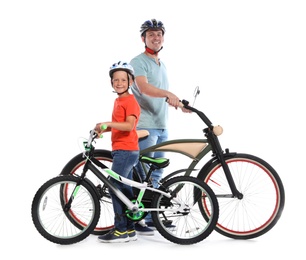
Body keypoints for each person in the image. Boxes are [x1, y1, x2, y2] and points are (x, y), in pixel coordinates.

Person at [130, 18, 190, 235]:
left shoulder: (161, 64)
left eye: (159, 34)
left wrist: (180, 104)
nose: (156, 37)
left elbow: (161, 93)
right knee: (142, 174)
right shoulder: (138, 62)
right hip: (145, 125)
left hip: (162, 124)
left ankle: (152, 216)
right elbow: (144, 88)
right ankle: (138, 218)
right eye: (151, 34)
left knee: (156, 174)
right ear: (143, 38)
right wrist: (168, 94)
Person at [95, 61, 140, 243]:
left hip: (126, 150)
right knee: (124, 188)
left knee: (114, 187)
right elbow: (118, 126)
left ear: (131, 81)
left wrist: (109, 124)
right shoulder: (119, 100)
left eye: (123, 79)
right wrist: (103, 129)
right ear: (111, 82)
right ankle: (129, 228)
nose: (119, 83)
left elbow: (129, 125)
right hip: (122, 150)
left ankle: (120, 230)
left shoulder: (130, 101)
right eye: (116, 80)